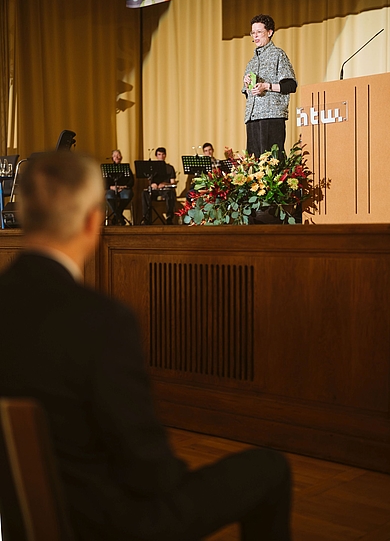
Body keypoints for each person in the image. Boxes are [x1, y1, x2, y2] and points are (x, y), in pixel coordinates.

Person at [0, 150, 292, 541]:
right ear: (93, 222)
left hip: (15, 516)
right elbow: (149, 470)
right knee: (270, 469)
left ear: (24, 214)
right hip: (110, 524)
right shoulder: (101, 321)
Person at [243, 14, 297, 159]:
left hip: (271, 116)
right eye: (253, 33)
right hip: (252, 117)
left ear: (270, 32)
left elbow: (290, 85)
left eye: (259, 32)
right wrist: (247, 83)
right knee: (254, 165)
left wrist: (266, 86)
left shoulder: (278, 55)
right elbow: (247, 93)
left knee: (272, 162)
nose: (255, 36)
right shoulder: (251, 62)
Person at [141, 147, 177, 225]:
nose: (161, 156)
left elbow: (173, 183)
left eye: (163, 154)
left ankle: (169, 218)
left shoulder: (170, 168)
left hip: (165, 190)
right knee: (145, 194)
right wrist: (152, 184)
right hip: (155, 190)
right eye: (159, 154)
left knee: (170, 194)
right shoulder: (152, 168)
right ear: (156, 156)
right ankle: (147, 219)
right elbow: (149, 180)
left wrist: (165, 184)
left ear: (165, 155)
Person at [104, 149, 134, 225]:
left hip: (124, 188)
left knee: (127, 195)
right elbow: (104, 182)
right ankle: (119, 217)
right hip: (112, 188)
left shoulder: (126, 168)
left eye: (118, 155)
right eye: (114, 156)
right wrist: (111, 187)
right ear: (112, 158)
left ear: (121, 157)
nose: (116, 157)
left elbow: (131, 181)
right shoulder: (107, 169)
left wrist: (124, 186)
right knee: (109, 196)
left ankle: (117, 216)